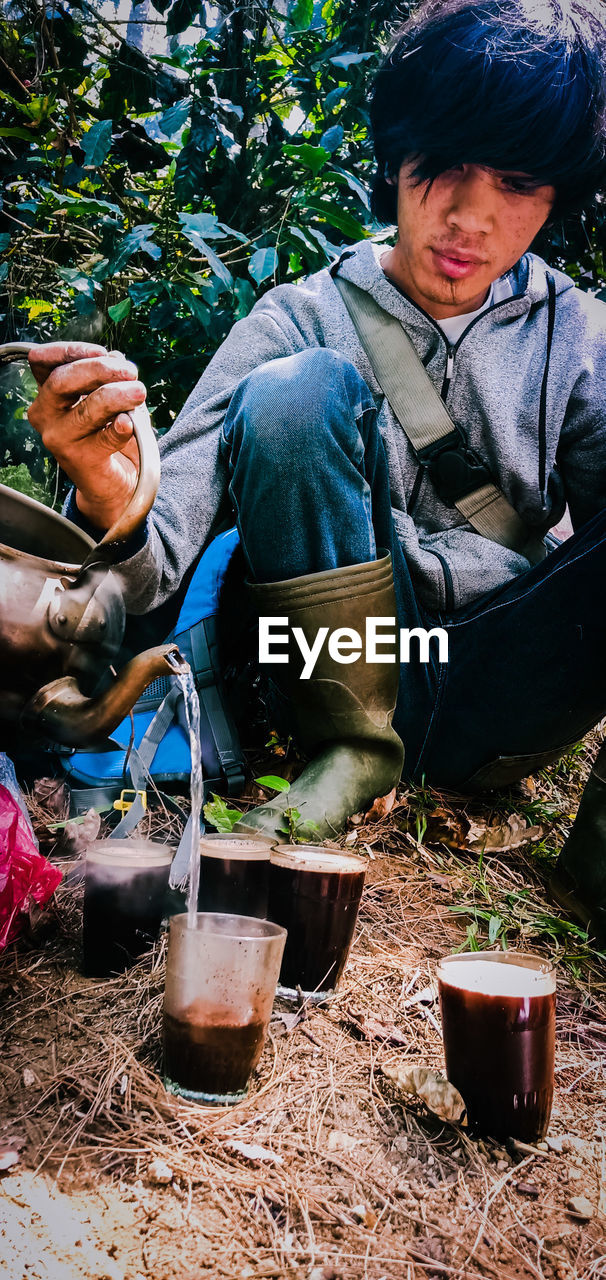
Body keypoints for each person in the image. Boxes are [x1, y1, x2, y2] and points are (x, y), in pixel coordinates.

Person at [25, 0, 606, 942]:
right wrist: (107, 486)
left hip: (504, 689)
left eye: (518, 180)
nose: (469, 213)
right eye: (446, 166)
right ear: (397, 156)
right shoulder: (299, 317)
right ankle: (349, 755)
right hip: (331, 672)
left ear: (558, 193)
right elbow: (155, 560)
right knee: (295, 392)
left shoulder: (580, 341)